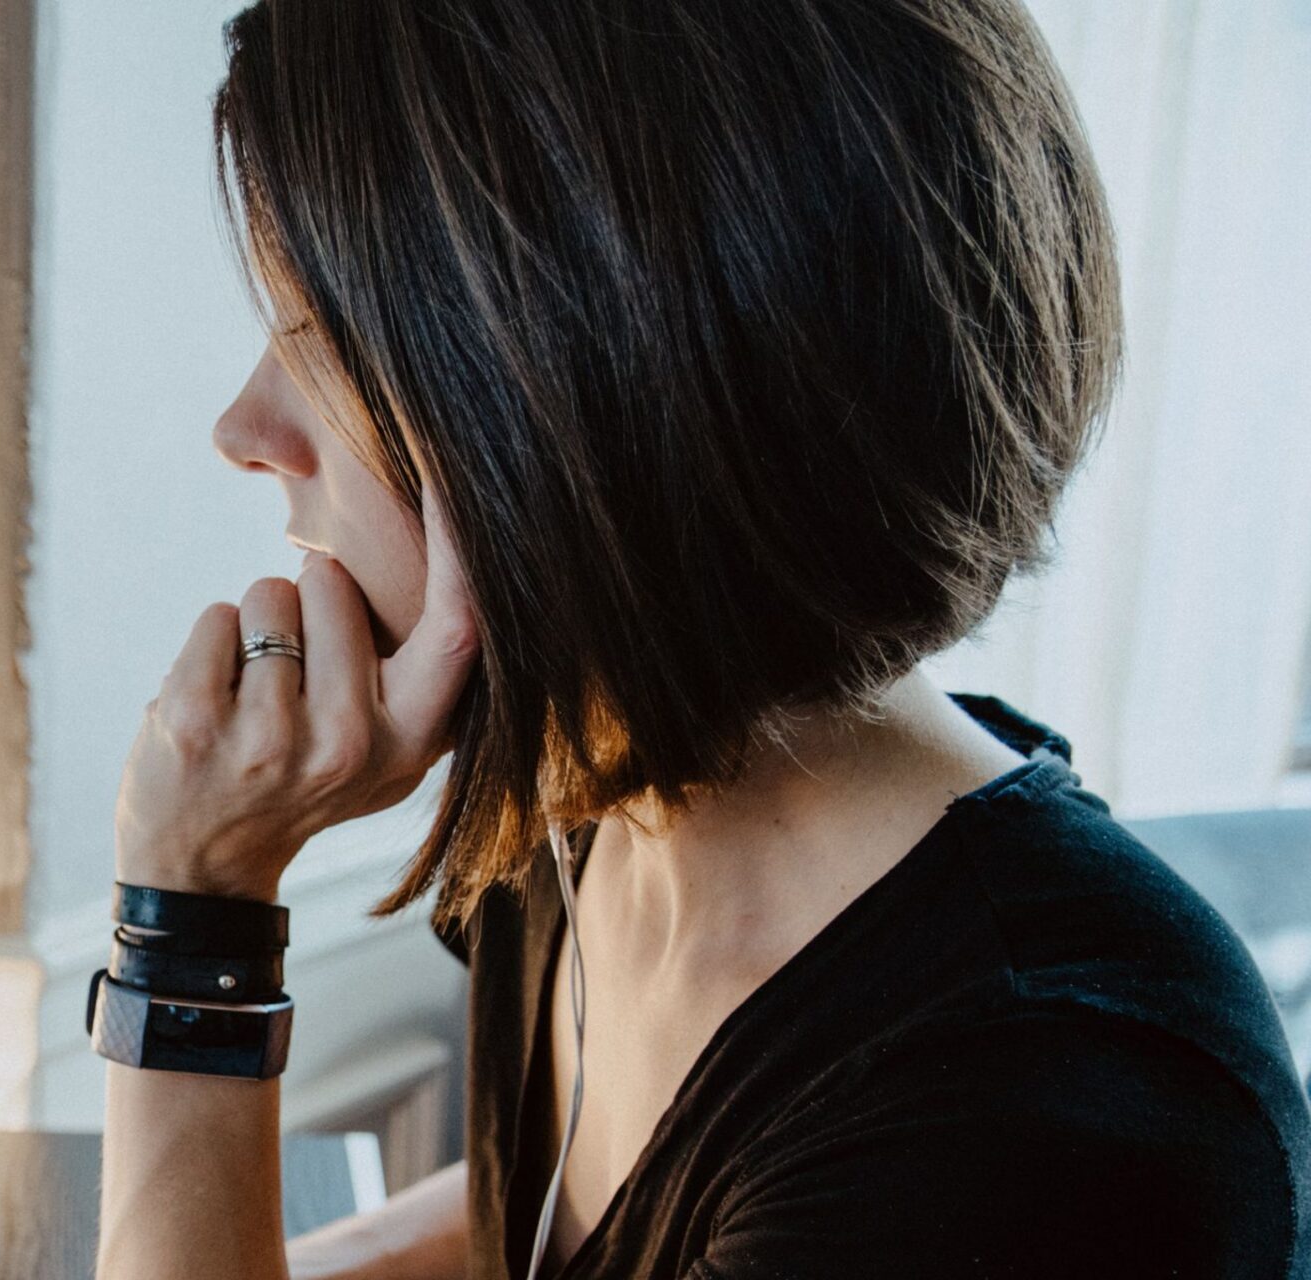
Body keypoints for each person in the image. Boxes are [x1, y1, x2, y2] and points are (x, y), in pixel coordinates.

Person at [92, 1, 1311, 1277]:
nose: (245, 427)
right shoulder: (590, 812)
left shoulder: (1030, 1119)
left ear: (595, 386)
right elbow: (584, 1202)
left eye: (319, 343)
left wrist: (194, 915)